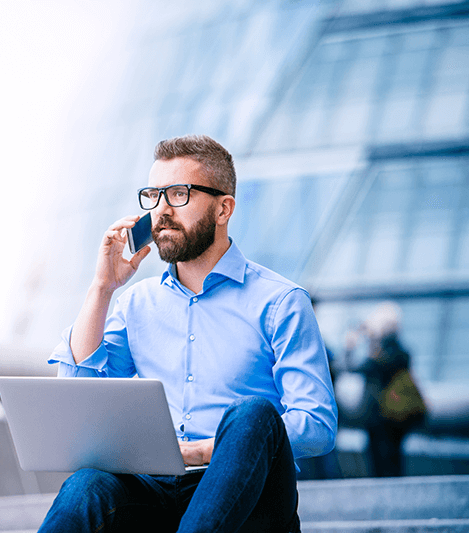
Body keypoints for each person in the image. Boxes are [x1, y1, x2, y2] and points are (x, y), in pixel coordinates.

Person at [42, 135, 338, 533]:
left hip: (252, 497)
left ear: (223, 208)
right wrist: (102, 289)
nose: (160, 212)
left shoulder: (281, 302)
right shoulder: (135, 305)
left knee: (253, 415)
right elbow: (74, 395)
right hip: (159, 489)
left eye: (178, 194)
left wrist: (207, 450)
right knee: (87, 486)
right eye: (153, 195)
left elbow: (316, 424)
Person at [350, 302, 426, 477]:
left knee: (383, 464)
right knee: (389, 462)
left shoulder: (390, 353)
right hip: (389, 419)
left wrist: (358, 343)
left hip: (384, 419)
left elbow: (356, 367)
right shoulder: (398, 352)